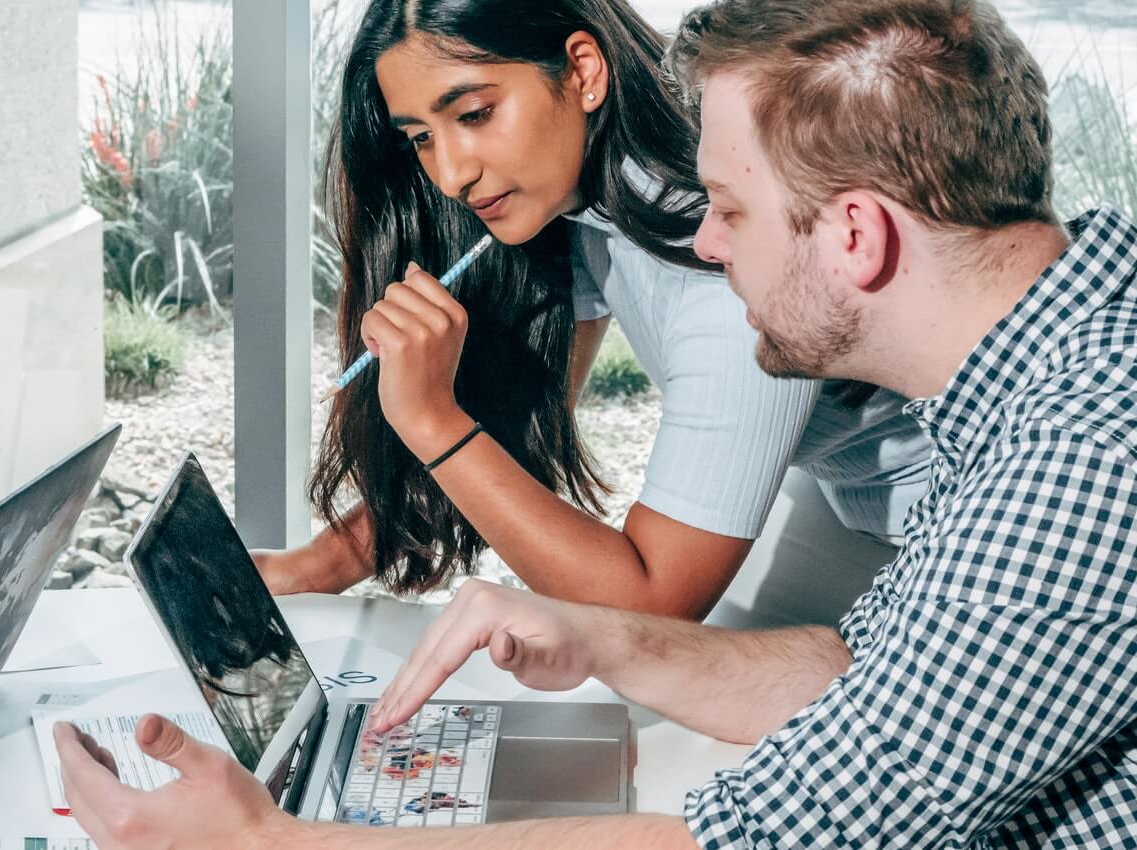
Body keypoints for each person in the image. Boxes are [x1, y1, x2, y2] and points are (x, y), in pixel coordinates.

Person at [56, 0, 1137, 846]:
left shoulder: (1075, 462)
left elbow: (780, 827)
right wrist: (595, 637)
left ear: (853, 233)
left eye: (730, 211)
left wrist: (274, 844)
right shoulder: (1027, 380)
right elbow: (864, 671)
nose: (706, 245)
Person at [251, 0, 933, 626]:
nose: (452, 173)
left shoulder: (725, 263)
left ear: (583, 71)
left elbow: (653, 605)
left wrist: (430, 418)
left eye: (474, 114)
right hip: (843, 504)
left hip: (948, 543)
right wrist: (320, 565)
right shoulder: (588, 198)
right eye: (420, 138)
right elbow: (515, 420)